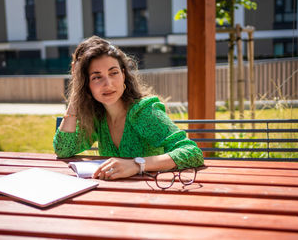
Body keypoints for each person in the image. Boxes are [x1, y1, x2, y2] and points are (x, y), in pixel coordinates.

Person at [53, 36, 204, 180]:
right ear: (86, 84)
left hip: (152, 195)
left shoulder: (143, 112)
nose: (109, 84)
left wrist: (137, 164)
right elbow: (63, 150)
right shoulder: (97, 116)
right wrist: (76, 87)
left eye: (114, 73)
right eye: (97, 77)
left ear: (123, 75)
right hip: (115, 196)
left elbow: (192, 152)